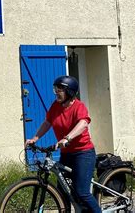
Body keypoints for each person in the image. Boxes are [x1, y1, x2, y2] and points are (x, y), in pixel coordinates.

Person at [25, 76, 101, 213]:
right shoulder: (56, 106)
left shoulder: (79, 106)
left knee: (82, 192)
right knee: (63, 193)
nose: (56, 93)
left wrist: (67, 138)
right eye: (55, 89)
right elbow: (48, 122)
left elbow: (83, 123)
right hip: (66, 154)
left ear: (69, 92)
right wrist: (35, 138)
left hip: (83, 153)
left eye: (59, 90)